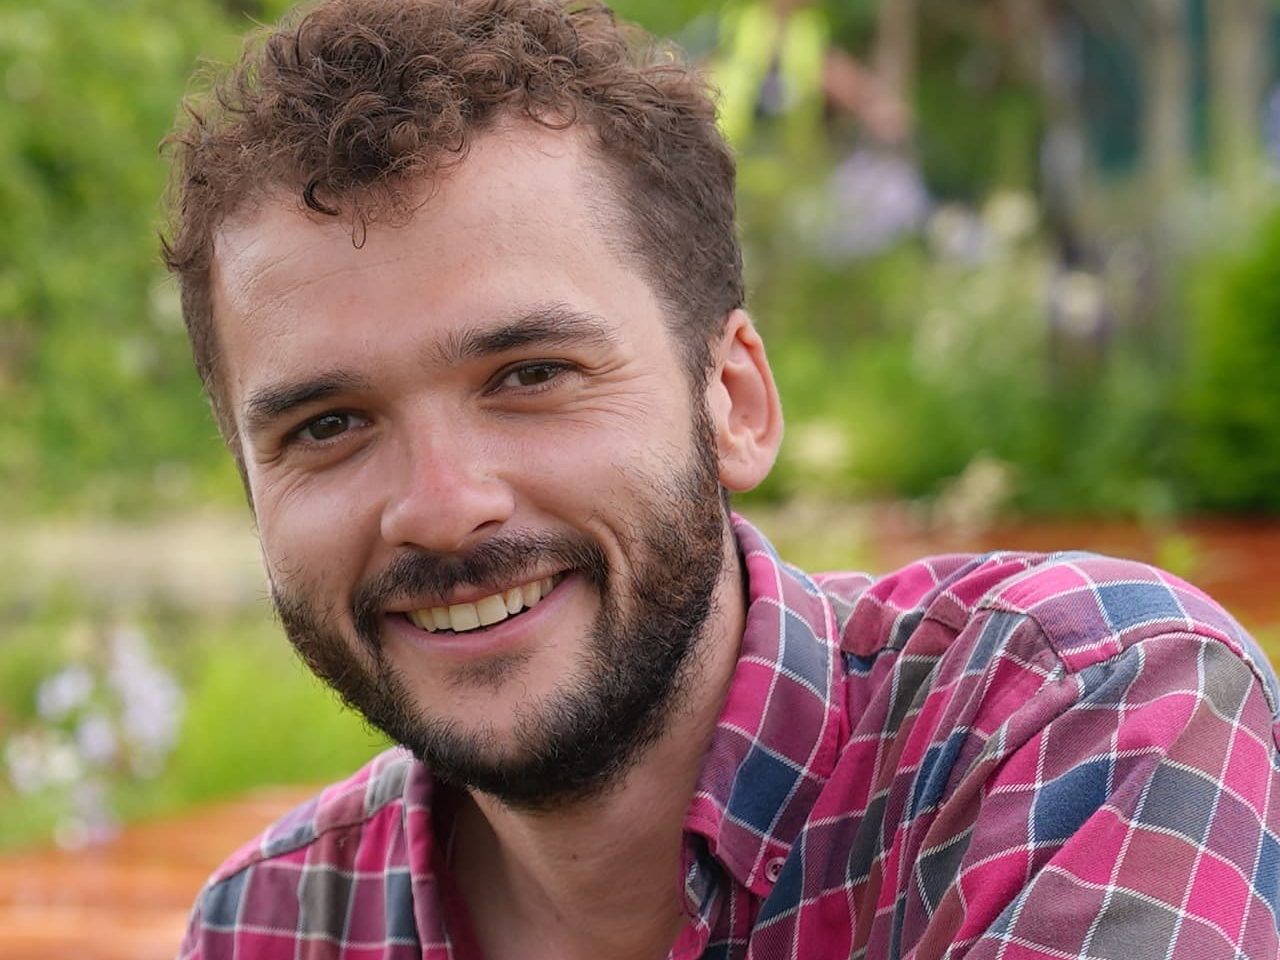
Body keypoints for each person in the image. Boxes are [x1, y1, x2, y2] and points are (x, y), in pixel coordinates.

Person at [163, 1, 1280, 957]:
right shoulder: (274, 922)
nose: (445, 507)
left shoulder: (1085, 713)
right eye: (328, 426)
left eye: (530, 375)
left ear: (734, 401)